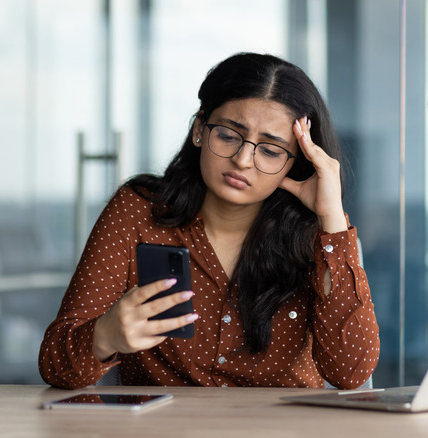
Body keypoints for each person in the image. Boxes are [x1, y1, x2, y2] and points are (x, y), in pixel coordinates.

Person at [38, 52, 380, 390]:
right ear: (200, 129)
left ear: (297, 162)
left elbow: (349, 374)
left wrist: (331, 217)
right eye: (229, 136)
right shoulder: (139, 210)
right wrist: (104, 336)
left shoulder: (315, 237)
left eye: (271, 151)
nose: (243, 160)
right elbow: (55, 365)